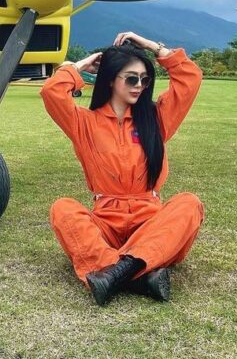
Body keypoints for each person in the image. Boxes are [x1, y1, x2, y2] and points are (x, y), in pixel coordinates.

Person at [40, 31, 204, 305]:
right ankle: (138, 273)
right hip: (106, 222)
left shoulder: (156, 118)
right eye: (130, 78)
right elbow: (51, 92)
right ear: (110, 80)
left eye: (144, 79)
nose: (139, 85)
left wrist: (153, 47)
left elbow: (190, 78)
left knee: (189, 204)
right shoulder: (85, 123)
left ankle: (114, 271)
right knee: (63, 209)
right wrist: (80, 65)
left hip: (150, 222)